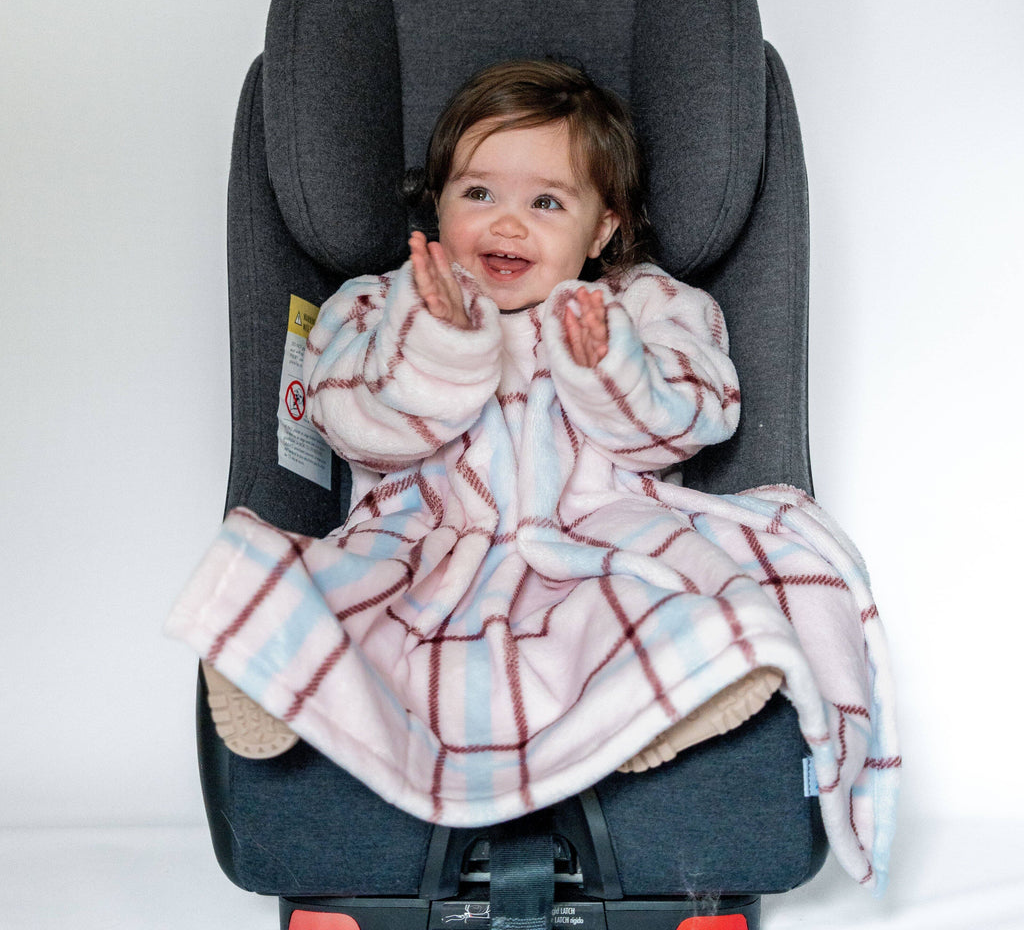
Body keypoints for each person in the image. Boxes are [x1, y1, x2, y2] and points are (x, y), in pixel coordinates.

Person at [168, 60, 896, 890]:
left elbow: (702, 413)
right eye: (478, 195)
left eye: (546, 202)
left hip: (592, 531)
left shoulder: (644, 305)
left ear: (602, 230)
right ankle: (273, 678)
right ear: (437, 204)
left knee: (663, 602)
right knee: (321, 581)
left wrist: (609, 365)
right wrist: (439, 341)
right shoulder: (378, 301)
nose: (506, 223)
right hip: (427, 538)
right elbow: (346, 419)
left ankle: (677, 697)